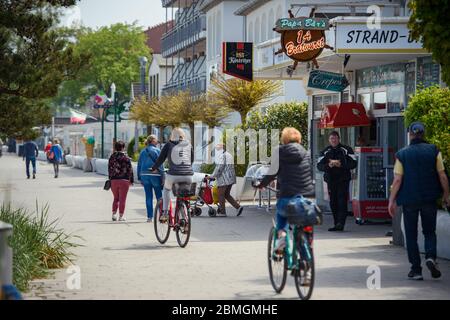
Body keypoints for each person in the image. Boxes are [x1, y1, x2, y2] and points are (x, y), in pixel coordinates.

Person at [388, 122, 449, 281]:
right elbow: (442, 176)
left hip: (409, 200)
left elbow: (398, 180)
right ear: (423, 134)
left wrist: (391, 200)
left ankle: (416, 270)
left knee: (411, 235)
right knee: (429, 231)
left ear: (410, 134)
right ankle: (430, 257)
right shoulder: (434, 151)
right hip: (429, 198)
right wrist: (446, 194)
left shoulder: (402, 154)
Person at [255, 128, 314, 251]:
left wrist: (261, 185)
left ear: (284, 139)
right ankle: (306, 257)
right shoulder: (306, 153)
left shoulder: (279, 151)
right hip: (306, 198)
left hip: (287, 196)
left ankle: (281, 237)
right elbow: (310, 173)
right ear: (299, 139)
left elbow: (272, 173)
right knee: (303, 224)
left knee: (281, 215)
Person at [151, 128, 194, 222]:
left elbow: (161, 159)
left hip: (173, 174)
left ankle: (165, 213)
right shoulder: (189, 145)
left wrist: (154, 168)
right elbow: (191, 160)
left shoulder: (169, 144)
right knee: (181, 195)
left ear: (172, 135)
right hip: (188, 175)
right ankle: (184, 220)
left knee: (166, 190)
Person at [317, 131, 357, 232]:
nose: (334, 140)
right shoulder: (325, 151)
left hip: (343, 179)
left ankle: (340, 223)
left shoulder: (346, 149)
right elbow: (319, 166)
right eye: (332, 138)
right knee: (333, 202)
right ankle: (336, 223)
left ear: (339, 139)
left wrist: (341, 165)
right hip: (331, 180)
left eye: (335, 138)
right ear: (329, 140)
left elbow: (354, 163)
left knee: (342, 201)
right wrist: (328, 166)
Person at [208, 143, 243, 217]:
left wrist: (212, 176)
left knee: (220, 194)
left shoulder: (223, 156)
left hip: (224, 179)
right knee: (226, 194)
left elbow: (219, 168)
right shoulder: (228, 155)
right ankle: (238, 207)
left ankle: (222, 212)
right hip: (230, 178)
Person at [138, 135, 164, 223]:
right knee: (159, 197)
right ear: (152, 141)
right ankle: (161, 216)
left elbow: (139, 165)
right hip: (155, 175)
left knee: (148, 196)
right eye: (156, 139)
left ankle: (150, 217)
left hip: (144, 175)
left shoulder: (142, 152)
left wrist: (139, 177)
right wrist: (163, 176)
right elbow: (160, 165)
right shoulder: (157, 150)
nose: (157, 141)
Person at [108, 140, 134, 222]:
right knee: (122, 199)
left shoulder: (112, 157)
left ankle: (114, 214)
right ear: (123, 148)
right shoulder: (126, 157)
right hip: (124, 180)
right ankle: (121, 216)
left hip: (114, 180)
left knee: (116, 198)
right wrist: (131, 180)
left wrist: (110, 179)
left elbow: (109, 168)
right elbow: (130, 170)